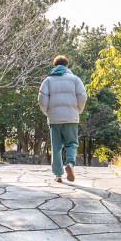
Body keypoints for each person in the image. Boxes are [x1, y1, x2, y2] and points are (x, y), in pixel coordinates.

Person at [38, 55, 87, 183]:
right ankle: (70, 164)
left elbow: (42, 100)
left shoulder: (47, 80)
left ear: (55, 66)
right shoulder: (75, 79)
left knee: (56, 147)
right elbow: (83, 97)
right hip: (71, 117)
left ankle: (58, 175)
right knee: (71, 143)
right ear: (67, 66)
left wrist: (48, 113)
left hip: (54, 119)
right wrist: (78, 110)